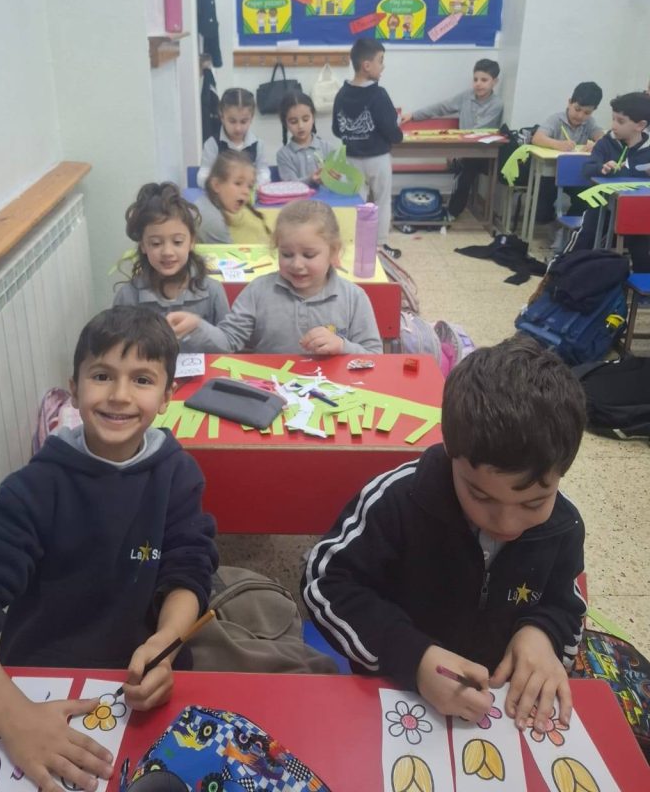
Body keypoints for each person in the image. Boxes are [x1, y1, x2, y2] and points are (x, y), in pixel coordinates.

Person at [0, 307, 218, 792]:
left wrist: (167, 642)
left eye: (142, 379)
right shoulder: (37, 486)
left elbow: (188, 568)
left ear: (168, 396)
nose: (119, 395)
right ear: (75, 387)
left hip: (142, 683)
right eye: (102, 375)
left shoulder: (177, 472)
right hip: (39, 686)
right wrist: (14, 717)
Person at [302, 336, 586, 733]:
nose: (506, 524)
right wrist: (414, 658)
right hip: (395, 695)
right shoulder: (399, 500)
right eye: (481, 496)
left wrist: (543, 633)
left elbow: (566, 604)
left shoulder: (563, 525)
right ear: (451, 450)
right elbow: (326, 583)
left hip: (499, 713)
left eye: (533, 503)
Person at [167, 200, 382, 355]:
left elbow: (375, 356)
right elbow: (229, 342)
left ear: (333, 252)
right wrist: (198, 326)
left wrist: (342, 346)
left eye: (308, 255)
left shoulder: (354, 297)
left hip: (336, 393)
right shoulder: (258, 291)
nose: (296, 264)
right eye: (286, 254)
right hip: (271, 392)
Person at [113, 182, 229, 350]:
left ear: (192, 241)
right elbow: (116, 350)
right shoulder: (128, 296)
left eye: (177, 242)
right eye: (156, 243)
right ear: (143, 246)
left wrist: (198, 325)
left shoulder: (212, 291)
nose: (167, 252)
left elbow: (227, 346)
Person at [401, 59, 504, 219]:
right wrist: (414, 115)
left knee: (467, 170)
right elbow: (441, 107)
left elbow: (479, 130)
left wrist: (458, 148)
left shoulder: (496, 104)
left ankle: (452, 212)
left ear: (494, 82)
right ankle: (452, 208)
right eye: (475, 79)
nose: (478, 84)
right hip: (463, 150)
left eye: (484, 80)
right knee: (466, 169)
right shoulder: (466, 97)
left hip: (482, 152)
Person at [563, 91, 650, 270]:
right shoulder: (606, 143)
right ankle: (568, 270)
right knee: (587, 235)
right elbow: (587, 169)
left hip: (638, 210)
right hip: (603, 207)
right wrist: (601, 168)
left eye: (620, 121)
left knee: (642, 244)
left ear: (640, 125)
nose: (613, 125)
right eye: (613, 119)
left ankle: (641, 281)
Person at [332, 38, 403, 245]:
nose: (383, 66)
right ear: (367, 65)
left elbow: (337, 129)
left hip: (351, 160)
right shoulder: (378, 94)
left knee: (355, 202)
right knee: (381, 201)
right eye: (380, 60)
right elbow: (391, 129)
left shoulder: (341, 94)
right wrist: (398, 136)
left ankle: (354, 242)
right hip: (378, 159)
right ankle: (380, 244)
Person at [198, 87, 270, 189]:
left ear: (251, 118)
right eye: (232, 121)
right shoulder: (212, 144)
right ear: (222, 117)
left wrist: (254, 185)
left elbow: (264, 172)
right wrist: (221, 186)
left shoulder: (258, 145)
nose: (238, 128)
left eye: (243, 121)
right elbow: (203, 176)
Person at [195, 149, 271, 244]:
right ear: (216, 185)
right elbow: (229, 254)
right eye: (238, 183)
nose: (246, 191)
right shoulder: (213, 222)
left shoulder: (205, 201)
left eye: (250, 186)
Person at [277, 92, 333, 185]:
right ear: (285, 123)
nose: (301, 126)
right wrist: (310, 179)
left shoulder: (327, 148)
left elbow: (342, 179)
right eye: (293, 122)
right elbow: (290, 185)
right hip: (300, 195)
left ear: (313, 117)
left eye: (305, 119)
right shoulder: (284, 154)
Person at [532, 82, 604, 154]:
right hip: (554, 160)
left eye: (587, 113)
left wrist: (597, 145)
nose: (580, 116)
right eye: (577, 109)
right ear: (569, 103)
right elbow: (536, 138)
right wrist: (558, 144)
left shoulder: (589, 122)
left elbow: (602, 137)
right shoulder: (557, 119)